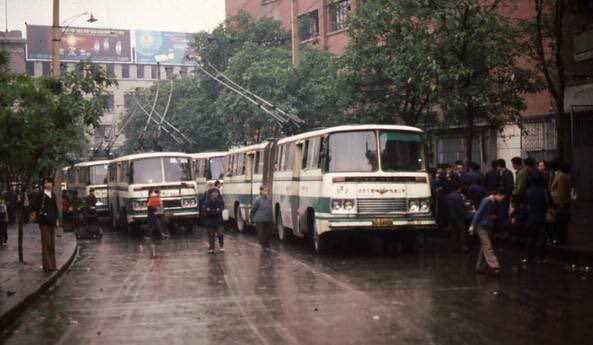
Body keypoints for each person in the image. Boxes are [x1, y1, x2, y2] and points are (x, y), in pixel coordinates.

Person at [469, 189, 506, 275]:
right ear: (498, 194)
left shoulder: (493, 202)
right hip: (482, 227)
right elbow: (478, 213)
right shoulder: (486, 201)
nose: (502, 199)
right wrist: (473, 225)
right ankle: (495, 265)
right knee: (487, 245)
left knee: (484, 247)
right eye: (502, 197)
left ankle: (479, 267)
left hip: (488, 226)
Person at [33, 177, 59, 272]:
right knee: (46, 244)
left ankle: (53, 265)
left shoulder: (53, 194)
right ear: (43, 184)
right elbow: (34, 206)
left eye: (49, 182)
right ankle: (47, 266)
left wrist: (57, 219)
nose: (48, 184)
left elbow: (55, 208)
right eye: (45, 183)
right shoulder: (41, 195)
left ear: (52, 184)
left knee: (52, 244)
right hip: (44, 223)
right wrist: (42, 213)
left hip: (52, 222)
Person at [524, 173, 548, 263]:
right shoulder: (544, 191)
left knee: (531, 238)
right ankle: (540, 258)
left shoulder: (528, 191)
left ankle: (529, 256)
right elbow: (549, 204)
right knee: (541, 238)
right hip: (542, 216)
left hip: (531, 217)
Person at [550, 159, 571, 245]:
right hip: (559, 202)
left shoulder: (561, 176)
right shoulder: (561, 175)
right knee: (561, 224)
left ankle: (561, 240)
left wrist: (561, 204)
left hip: (560, 203)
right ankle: (561, 239)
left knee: (560, 224)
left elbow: (562, 192)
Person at [446, 185, 469, 252]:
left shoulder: (449, 195)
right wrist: (465, 215)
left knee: (454, 232)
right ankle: (464, 247)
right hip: (458, 217)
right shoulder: (458, 197)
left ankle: (454, 247)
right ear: (458, 189)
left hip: (451, 216)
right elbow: (460, 208)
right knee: (462, 231)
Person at [203, 188, 225, 254]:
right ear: (211, 194)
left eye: (217, 192)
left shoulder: (219, 201)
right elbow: (207, 211)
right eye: (214, 192)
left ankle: (221, 246)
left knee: (220, 234)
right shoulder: (207, 202)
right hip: (210, 222)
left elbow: (220, 210)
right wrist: (216, 211)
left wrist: (213, 211)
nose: (216, 194)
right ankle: (211, 248)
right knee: (211, 235)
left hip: (219, 221)